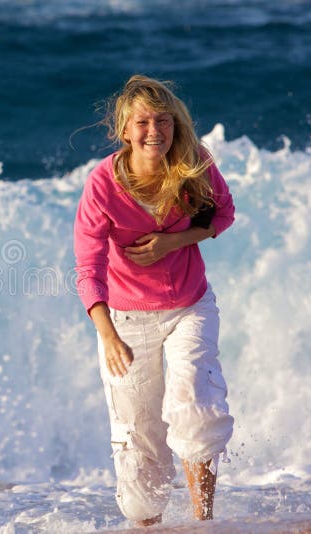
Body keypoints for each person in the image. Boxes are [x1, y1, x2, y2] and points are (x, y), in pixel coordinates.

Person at [73, 75, 235, 526]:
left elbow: (224, 212)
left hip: (190, 306)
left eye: (162, 120)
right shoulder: (103, 185)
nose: (154, 131)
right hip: (125, 318)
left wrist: (177, 241)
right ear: (124, 130)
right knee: (139, 440)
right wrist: (106, 334)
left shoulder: (193, 162)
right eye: (142, 122)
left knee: (194, 403)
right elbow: (87, 267)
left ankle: (204, 522)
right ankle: (147, 527)